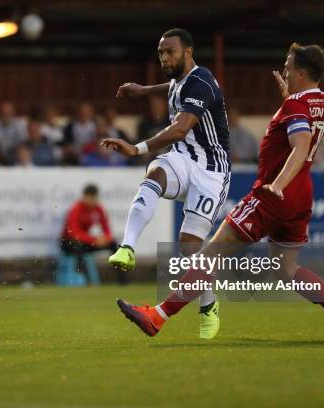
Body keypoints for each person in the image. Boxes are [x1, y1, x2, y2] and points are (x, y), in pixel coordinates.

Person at [115, 43, 324, 343]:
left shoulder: (294, 106)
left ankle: (156, 317)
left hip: (273, 194)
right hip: (302, 196)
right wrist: (293, 101)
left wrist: (277, 184)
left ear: (301, 73)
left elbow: (301, 146)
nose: (285, 70)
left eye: (289, 66)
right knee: (288, 268)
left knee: (209, 256)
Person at [101, 28, 231, 339]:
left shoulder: (202, 82)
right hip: (183, 159)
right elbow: (172, 85)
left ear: (188, 52)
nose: (164, 57)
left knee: (190, 247)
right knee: (154, 174)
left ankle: (209, 304)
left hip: (212, 171)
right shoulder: (181, 80)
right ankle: (127, 247)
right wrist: (145, 90)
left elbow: (179, 129)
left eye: (170, 51)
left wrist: (137, 147)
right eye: (161, 53)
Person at [60, 184, 121, 283]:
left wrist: (105, 239)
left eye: (94, 198)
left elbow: (107, 230)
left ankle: (122, 280)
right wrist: (94, 240)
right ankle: (86, 281)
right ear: (84, 197)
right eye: (90, 198)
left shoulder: (98, 209)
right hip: (67, 243)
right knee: (77, 246)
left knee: (113, 244)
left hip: (86, 242)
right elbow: (74, 233)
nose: (92, 201)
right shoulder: (76, 209)